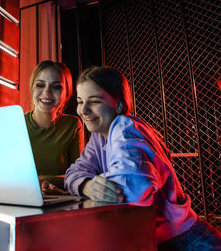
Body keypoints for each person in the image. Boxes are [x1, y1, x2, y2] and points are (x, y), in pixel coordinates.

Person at [65, 66, 221, 250]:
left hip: (190, 242)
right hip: (165, 241)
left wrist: (100, 185)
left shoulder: (124, 126)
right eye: (80, 101)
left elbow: (130, 188)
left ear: (120, 105)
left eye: (95, 101)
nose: (83, 110)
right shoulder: (99, 136)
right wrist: (87, 185)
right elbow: (73, 173)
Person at [25, 60, 84, 195]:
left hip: (59, 200)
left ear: (66, 93)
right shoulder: (16, 123)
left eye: (56, 87)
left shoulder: (73, 124)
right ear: (32, 89)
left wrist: (43, 180)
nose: (47, 92)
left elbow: (78, 175)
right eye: (40, 85)